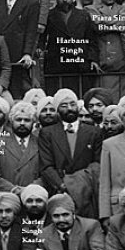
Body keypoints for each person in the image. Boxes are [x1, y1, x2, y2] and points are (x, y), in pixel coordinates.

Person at [38, 88, 103, 219]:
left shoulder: (94, 132)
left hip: (87, 192)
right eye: (64, 105)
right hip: (59, 192)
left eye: (72, 104)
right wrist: (63, 186)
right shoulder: (47, 133)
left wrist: (80, 185)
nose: (69, 108)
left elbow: (97, 163)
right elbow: (46, 165)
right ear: (57, 109)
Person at [42, 0, 100, 93]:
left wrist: (93, 59)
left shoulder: (83, 15)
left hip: (79, 62)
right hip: (56, 63)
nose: (64, 0)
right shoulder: (49, 15)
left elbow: (92, 39)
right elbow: (42, 37)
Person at [0, 102, 43, 203]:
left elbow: (46, 173)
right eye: (18, 119)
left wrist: (29, 190)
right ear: (11, 121)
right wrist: (13, 189)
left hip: (34, 199)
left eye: (27, 120)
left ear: (33, 122)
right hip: (6, 199)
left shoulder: (41, 143)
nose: (22, 123)